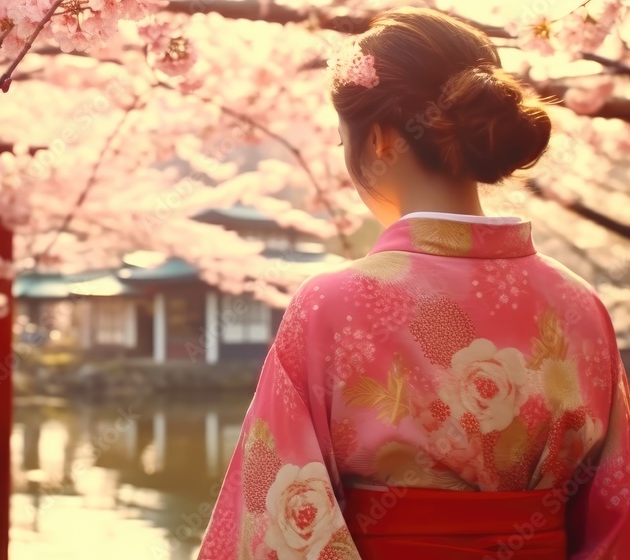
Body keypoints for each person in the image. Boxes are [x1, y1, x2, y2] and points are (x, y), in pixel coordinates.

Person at [198, 7, 630, 560]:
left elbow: (276, 512)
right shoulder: (579, 304)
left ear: (378, 141)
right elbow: (616, 511)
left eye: (342, 142)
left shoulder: (331, 304)